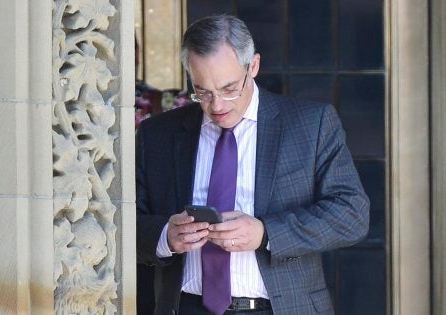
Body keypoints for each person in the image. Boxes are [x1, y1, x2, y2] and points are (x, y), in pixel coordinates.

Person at [136, 14, 369, 315]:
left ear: (253, 66)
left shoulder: (310, 125)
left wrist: (266, 233)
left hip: (280, 308)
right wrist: (165, 236)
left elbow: (352, 215)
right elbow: (126, 224)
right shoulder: (158, 134)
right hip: (186, 306)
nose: (217, 105)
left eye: (229, 88)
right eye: (203, 92)